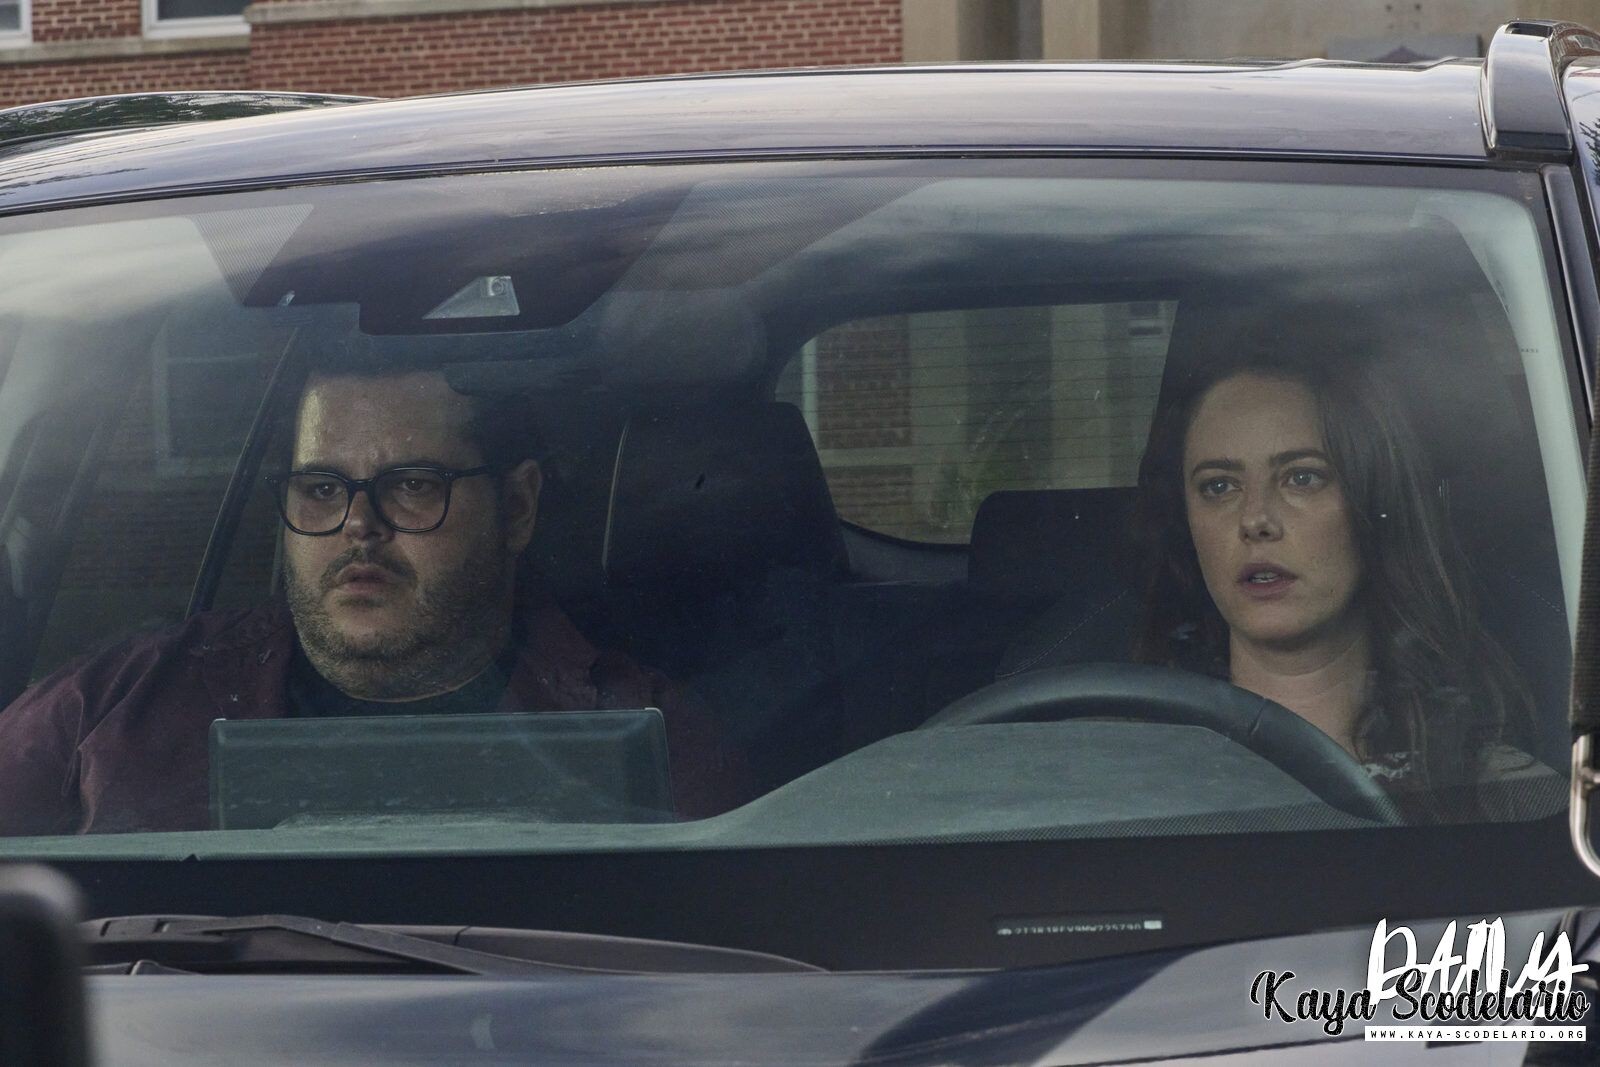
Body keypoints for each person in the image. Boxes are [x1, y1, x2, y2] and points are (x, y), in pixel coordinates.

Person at [0, 366, 751, 834]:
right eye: (322, 488)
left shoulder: (649, 739)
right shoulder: (113, 705)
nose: (359, 524)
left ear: (517, 509)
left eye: (413, 484)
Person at [1131, 345, 1536, 822]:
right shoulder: (1124, 779)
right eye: (1219, 486)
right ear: (1186, 522)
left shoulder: (1501, 793)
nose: (1255, 520)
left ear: (1376, 503)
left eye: (1302, 478)